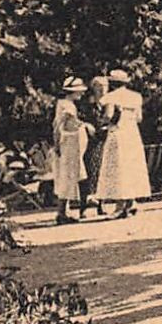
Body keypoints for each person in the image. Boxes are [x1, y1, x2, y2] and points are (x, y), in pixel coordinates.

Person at [96, 67, 150, 219]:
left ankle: (120, 206)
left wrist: (103, 123)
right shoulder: (136, 97)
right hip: (132, 134)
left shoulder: (110, 97)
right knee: (131, 167)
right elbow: (139, 118)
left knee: (118, 168)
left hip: (118, 133)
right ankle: (131, 202)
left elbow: (108, 116)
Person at [51, 76, 94, 225]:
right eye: (78, 91)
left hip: (70, 143)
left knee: (71, 175)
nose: (81, 94)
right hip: (68, 144)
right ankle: (61, 212)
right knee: (67, 176)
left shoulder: (64, 103)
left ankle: (65, 211)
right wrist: (57, 144)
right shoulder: (67, 106)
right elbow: (58, 126)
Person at [78, 73, 111, 218]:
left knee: (102, 172)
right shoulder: (87, 104)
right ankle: (84, 206)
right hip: (90, 142)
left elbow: (116, 121)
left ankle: (101, 204)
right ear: (93, 88)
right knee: (88, 172)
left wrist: (108, 127)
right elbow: (79, 119)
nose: (102, 89)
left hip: (105, 141)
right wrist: (86, 125)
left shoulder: (111, 104)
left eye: (104, 86)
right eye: (99, 87)